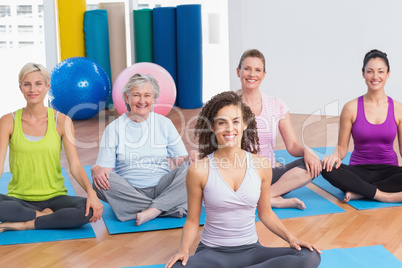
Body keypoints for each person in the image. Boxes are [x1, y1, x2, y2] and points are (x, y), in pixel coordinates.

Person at [166, 91, 321, 268]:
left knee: (310, 255)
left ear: (245, 124)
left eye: (236, 121)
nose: (229, 128)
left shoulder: (261, 166)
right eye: (222, 122)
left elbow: (266, 213)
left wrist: (292, 238)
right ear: (212, 126)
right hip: (212, 254)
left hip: (252, 252)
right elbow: (192, 220)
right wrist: (184, 250)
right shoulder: (199, 170)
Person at [0, 63, 103, 233]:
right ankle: (43, 216)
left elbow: (76, 166)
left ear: (47, 87)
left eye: (38, 84)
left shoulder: (62, 121)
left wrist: (91, 193)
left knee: (87, 210)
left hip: (55, 198)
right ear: (21, 88)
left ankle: (25, 223)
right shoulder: (7, 121)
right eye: (27, 84)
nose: (33, 89)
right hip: (19, 198)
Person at [91, 73, 189, 226]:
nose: (142, 101)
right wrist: (98, 170)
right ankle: (168, 207)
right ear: (126, 97)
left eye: (147, 95)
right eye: (136, 95)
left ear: (154, 98)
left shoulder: (165, 123)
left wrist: (192, 159)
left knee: (194, 169)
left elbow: (181, 161)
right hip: (130, 190)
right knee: (98, 182)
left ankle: (153, 210)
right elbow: (106, 171)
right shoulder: (114, 129)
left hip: (162, 187)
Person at [236, 49, 322, 209]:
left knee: (312, 165)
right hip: (238, 175)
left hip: (268, 174)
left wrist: (306, 151)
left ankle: (266, 197)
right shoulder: (228, 104)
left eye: (257, 70)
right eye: (247, 68)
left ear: (264, 74)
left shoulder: (277, 105)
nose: (251, 74)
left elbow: (292, 146)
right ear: (238, 72)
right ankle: (267, 197)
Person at [321, 49, 402, 203]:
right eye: (370, 71)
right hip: (358, 170)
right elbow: (341, 146)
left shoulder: (399, 109)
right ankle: (380, 194)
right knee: (326, 168)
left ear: (388, 74)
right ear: (363, 74)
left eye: (380, 71)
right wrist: (334, 156)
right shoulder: (351, 107)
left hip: (389, 170)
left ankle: (362, 191)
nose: (375, 77)